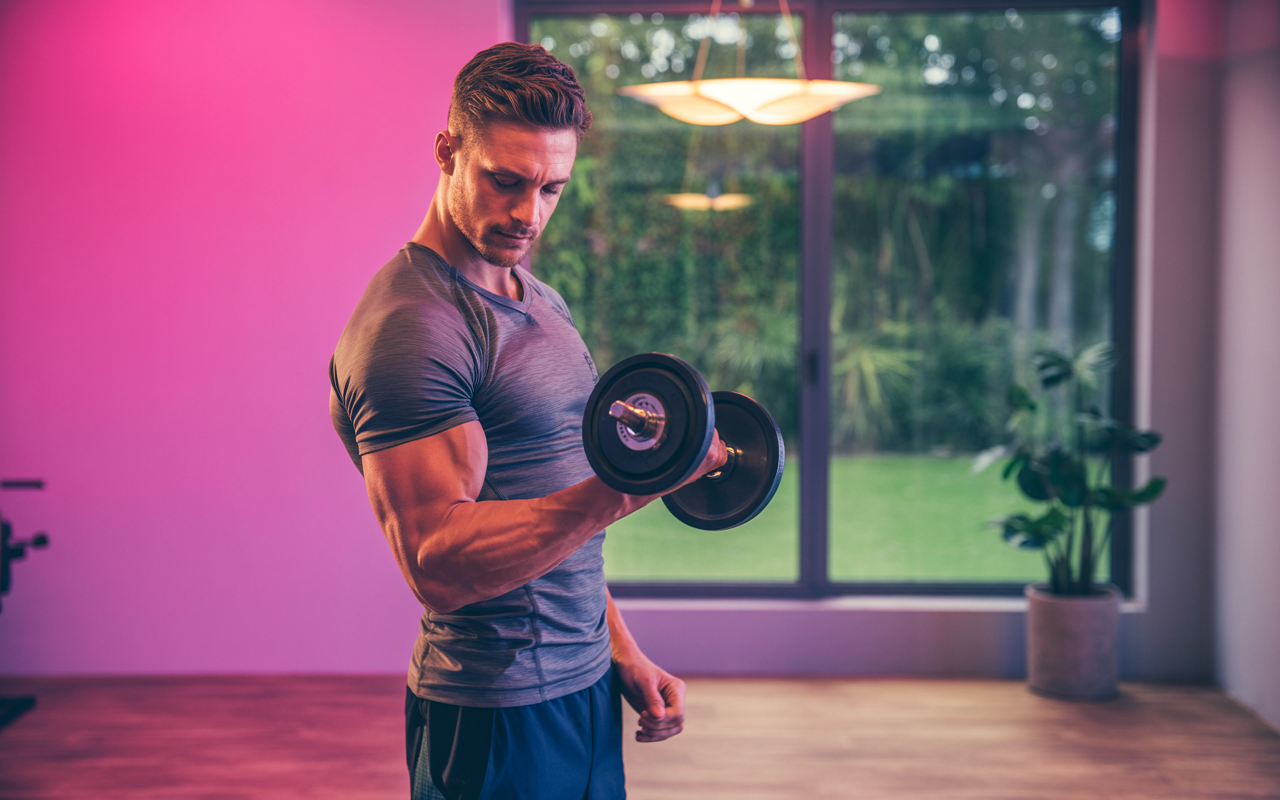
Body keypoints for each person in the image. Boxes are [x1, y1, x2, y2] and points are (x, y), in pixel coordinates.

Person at [328, 42, 726, 800]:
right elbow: (437, 564)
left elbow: (551, 498)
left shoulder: (539, 299)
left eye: (551, 189)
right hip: (493, 713)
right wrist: (631, 489)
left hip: (579, 691)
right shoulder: (415, 327)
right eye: (505, 181)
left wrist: (619, 651)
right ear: (447, 152)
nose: (527, 213)